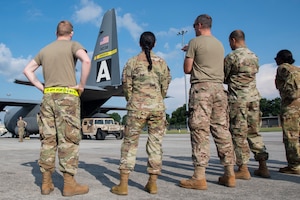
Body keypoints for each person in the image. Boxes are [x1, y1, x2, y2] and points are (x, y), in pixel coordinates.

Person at [23, 20, 91, 196]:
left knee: (48, 140)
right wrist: (81, 85)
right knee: (68, 139)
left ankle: (46, 184)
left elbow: (27, 70)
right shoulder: (74, 45)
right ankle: (69, 185)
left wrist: (41, 87)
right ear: (71, 33)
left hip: (48, 97)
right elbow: (86, 61)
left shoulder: (44, 50)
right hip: (67, 96)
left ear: (56, 33)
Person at [179, 14, 236, 190]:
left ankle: (199, 176)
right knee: (222, 130)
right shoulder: (220, 44)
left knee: (199, 130)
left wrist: (190, 52)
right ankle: (230, 174)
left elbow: (187, 69)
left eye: (194, 26)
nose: (194, 29)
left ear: (199, 25)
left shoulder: (195, 42)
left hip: (201, 89)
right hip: (219, 90)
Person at [111, 31, 171, 195]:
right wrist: (158, 98)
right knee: (155, 144)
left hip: (137, 107)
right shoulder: (162, 63)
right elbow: (165, 86)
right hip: (158, 107)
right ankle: (152, 183)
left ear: (139, 44)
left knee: (129, 144)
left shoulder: (131, 62)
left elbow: (126, 86)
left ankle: (123, 185)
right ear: (154, 44)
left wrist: (132, 100)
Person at [224, 30, 270, 179]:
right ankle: (263, 165)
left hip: (238, 99)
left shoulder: (232, 57)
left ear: (233, 40)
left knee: (238, 133)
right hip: (254, 99)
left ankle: (243, 168)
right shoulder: (254, 56)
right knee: (254, 131)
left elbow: (224, 76)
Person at [275, 49, 300, 175]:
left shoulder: (282, 68)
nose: (275, 60)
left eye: (277, 58)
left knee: (291, 136)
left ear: (281, 58)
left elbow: (284, 88)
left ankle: (294, 165)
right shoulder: (297, 69)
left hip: (291, 106)